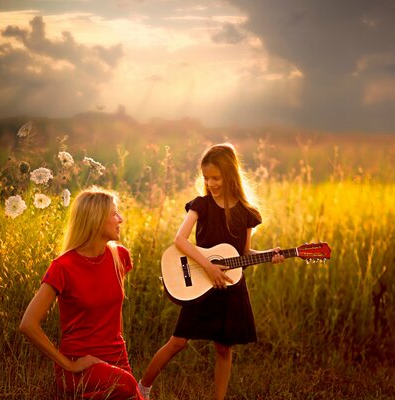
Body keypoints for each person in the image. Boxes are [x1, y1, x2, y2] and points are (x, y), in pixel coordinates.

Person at [138, 143, 284, 400]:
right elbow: (180, 240)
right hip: (201, 281)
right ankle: (141, 389)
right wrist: (207, 266)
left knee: (224, 348)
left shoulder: (247, 213)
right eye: (206, 178)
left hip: (230, 288)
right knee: (178, 342)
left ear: (230, 174)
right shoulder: (201, 205)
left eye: (216, 177)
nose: (211, 183)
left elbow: (244, 254)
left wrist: (269, 254)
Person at [19, 187, 143, 399]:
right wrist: (70, 365)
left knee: (129, 389)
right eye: (114, 214)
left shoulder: (119, 257)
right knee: (127, 385)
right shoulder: (63, 267)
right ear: (96, 219)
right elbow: (28, 324)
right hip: (79, 363)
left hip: (117, 360)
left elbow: (112, 310)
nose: (120, 219)